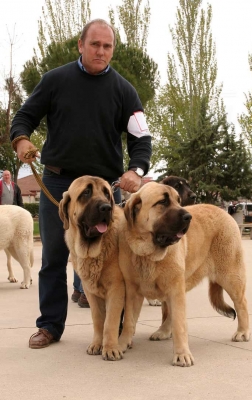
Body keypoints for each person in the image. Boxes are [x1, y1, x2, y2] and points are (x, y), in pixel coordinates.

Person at [10, 19, 152, 349]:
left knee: (114, 260)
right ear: (80, 45)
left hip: (105, 189)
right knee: (54, 256)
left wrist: (137, 169)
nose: (101, 51)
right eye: (95, 44)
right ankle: (49, 326)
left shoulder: (124, 90)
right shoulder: (55, 80)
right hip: (60, 184)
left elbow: (140, 138)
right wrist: (20, 141)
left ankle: (111, 328)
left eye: (107, 46)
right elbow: (25, 116)